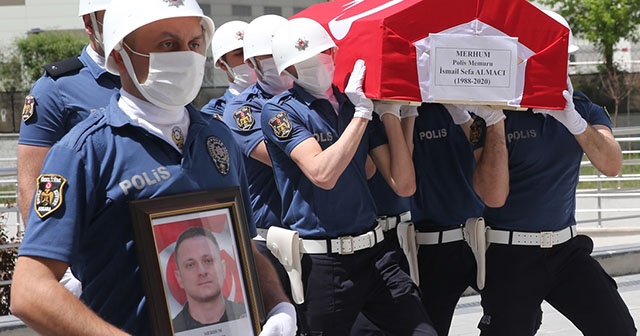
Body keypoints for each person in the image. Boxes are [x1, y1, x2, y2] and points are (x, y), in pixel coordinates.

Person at [10, 0, 296, 335]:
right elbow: (29, 292)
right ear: (120, 55)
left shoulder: (217, 136)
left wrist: (279, 306)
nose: (186, 56)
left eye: (194, 44)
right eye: (167, 45)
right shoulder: (84, 151)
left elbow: (243, 246)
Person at [263, 18, 436, 335]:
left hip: (376, 253)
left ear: (333, 52)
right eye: (302, 62)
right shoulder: (280, 111)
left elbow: (403, 183)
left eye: (320, 54)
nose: (316, 64)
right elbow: (322, 173)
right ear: (288, 72)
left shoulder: (352, 101)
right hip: (325, 263)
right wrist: (361, 115)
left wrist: (389, 112)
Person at [476, 11, 637, 335]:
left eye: (562, 57)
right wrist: (495, 123)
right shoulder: (492, 112)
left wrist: (575, 122)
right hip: (510, 253)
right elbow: (492, 195)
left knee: (617, 328)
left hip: (565, 249)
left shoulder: (580, 106)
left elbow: (612, 165)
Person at [16, 0, 120, 297]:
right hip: (88, 260)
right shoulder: (57, 88)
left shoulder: (155, 81)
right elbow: (32, 185)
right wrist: (54, 267)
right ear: (90, 24)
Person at [171, 227, 246, 332]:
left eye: (208, 261)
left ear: (223, 268)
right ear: (179, 278)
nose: (202, 271)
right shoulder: (170, 330)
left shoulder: (249, 317)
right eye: (190, 265)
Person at [200, 20, 256, 119]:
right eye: (240, 54)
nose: (249, 58)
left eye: (252, 50)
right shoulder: (214, 113)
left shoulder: (280, 99)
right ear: (222, 64)